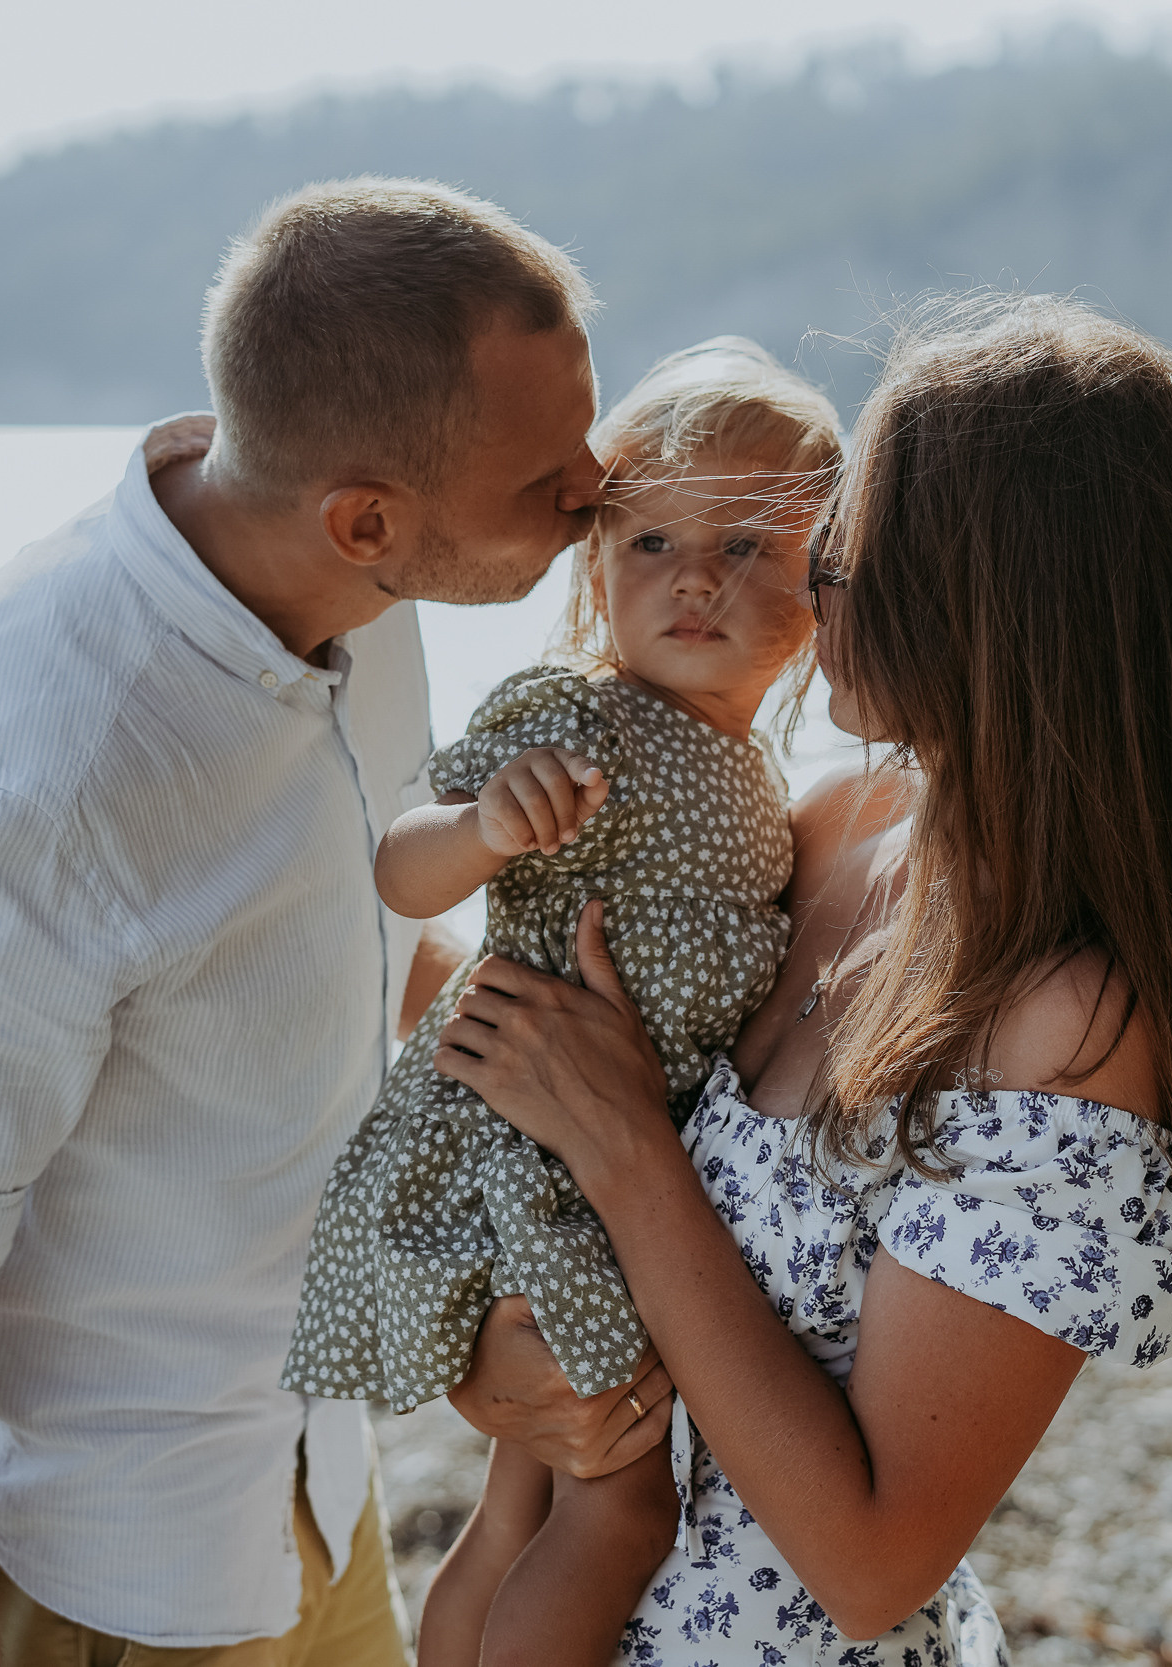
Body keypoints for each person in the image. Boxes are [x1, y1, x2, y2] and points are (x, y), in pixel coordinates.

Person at [427, 294, 1172, 1660]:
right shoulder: (830, 828)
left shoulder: (1072, 1023)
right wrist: (505, 1378)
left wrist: (626, 1150)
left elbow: (873, 1560)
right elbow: (562, 1145)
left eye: (846, 550)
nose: (811, 584)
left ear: (992, 609)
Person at [0, 177, 640, 1667]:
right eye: (548, 478)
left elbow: (340, 969)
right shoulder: (27, 783)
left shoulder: (352, 592)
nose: (601, 488)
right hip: (111, 1587)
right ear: (367, 516)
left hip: (314, 1498)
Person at [282, 338, 843, 1665]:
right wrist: (486, 826)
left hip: (593, 1158)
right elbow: (401, 866)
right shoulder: (586, 722)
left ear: (829, 583)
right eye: (653, 543)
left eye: (749, 547)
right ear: (596, 561)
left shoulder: (751, 771)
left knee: (526, 1493)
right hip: (530, 1158)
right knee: (620, 1499)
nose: (696, 578)